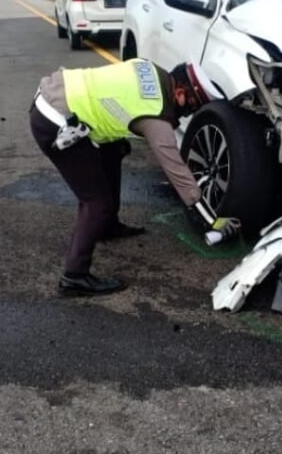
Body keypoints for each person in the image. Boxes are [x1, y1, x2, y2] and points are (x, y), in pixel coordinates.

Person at [29, 59, 240, 296]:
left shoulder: (150, 68)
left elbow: (115, 97)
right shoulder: (156, 115)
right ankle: (74, 277)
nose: (188, 112)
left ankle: (107, 227)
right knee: (96, 203)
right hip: (55, 122)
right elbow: (177, 172)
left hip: (57, 95)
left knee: (113, 151)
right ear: (180, 93)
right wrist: (211, 220)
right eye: (191, 105)